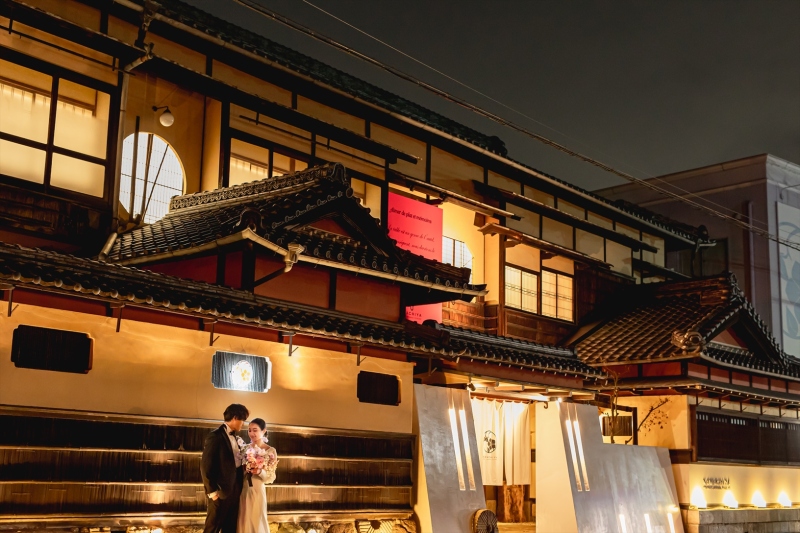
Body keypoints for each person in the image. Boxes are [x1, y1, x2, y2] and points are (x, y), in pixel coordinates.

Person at [201, 403, 249, 533]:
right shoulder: (215, 436)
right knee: (212, 527)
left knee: (230, 527)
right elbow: (206, 466)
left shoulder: (236, 437)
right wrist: (212, 493)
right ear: (234, 417)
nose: (243, 423)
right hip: (220, 492)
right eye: (242, 420)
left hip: (235, 489)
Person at [237, 417, 278, 533]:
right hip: (243, 489)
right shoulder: (244, 448)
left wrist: (259, 471)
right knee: (242, 519)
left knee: (256, 519)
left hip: (257, 489)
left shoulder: (270, 451)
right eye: (249, 430)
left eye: (255, 430)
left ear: (263, 431)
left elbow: (271, 477)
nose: (251, 433)